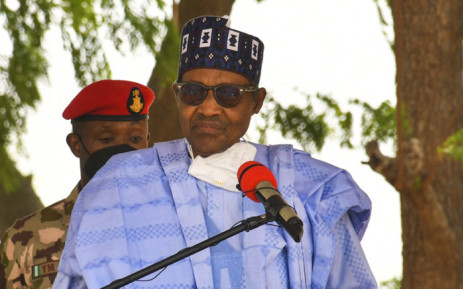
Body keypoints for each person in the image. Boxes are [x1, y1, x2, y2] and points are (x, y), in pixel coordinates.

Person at [53, 16, 377, 289]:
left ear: (257, 101)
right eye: (194, 92)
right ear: (178, 96)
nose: (208, 108)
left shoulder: (312, 190)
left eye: (229, 95)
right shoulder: (117, 184)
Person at [0, 80, 155, 289]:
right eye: (107, 139)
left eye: (135, 139)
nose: (122, 152)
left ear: (148, 141)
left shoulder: (178, 227)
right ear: (76, 145)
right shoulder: (24, 240)